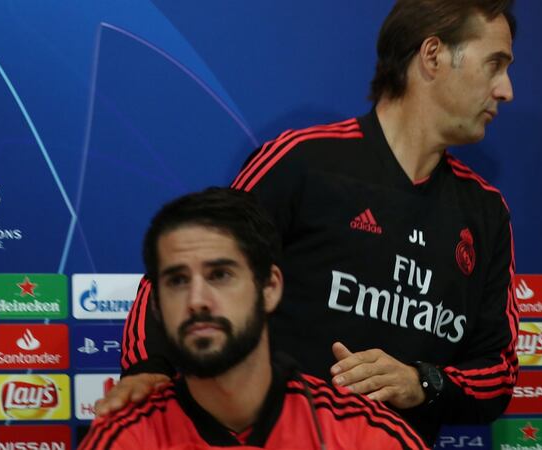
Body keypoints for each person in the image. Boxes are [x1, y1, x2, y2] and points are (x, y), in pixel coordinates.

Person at [98, 0, 519, 444]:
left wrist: (422, 382)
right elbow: (187, 268)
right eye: (494, 64)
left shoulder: (485, 211)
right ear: (432, 55)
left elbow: (497, 372)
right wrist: (150, 369)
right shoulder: (303, 162)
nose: (506, 90)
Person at [80, 188, 427, 449]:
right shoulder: (124, 439)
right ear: (156, 305)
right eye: (177, 281)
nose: (197, 301)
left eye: (220, 275)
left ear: (270, 288)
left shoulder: (366, 435)